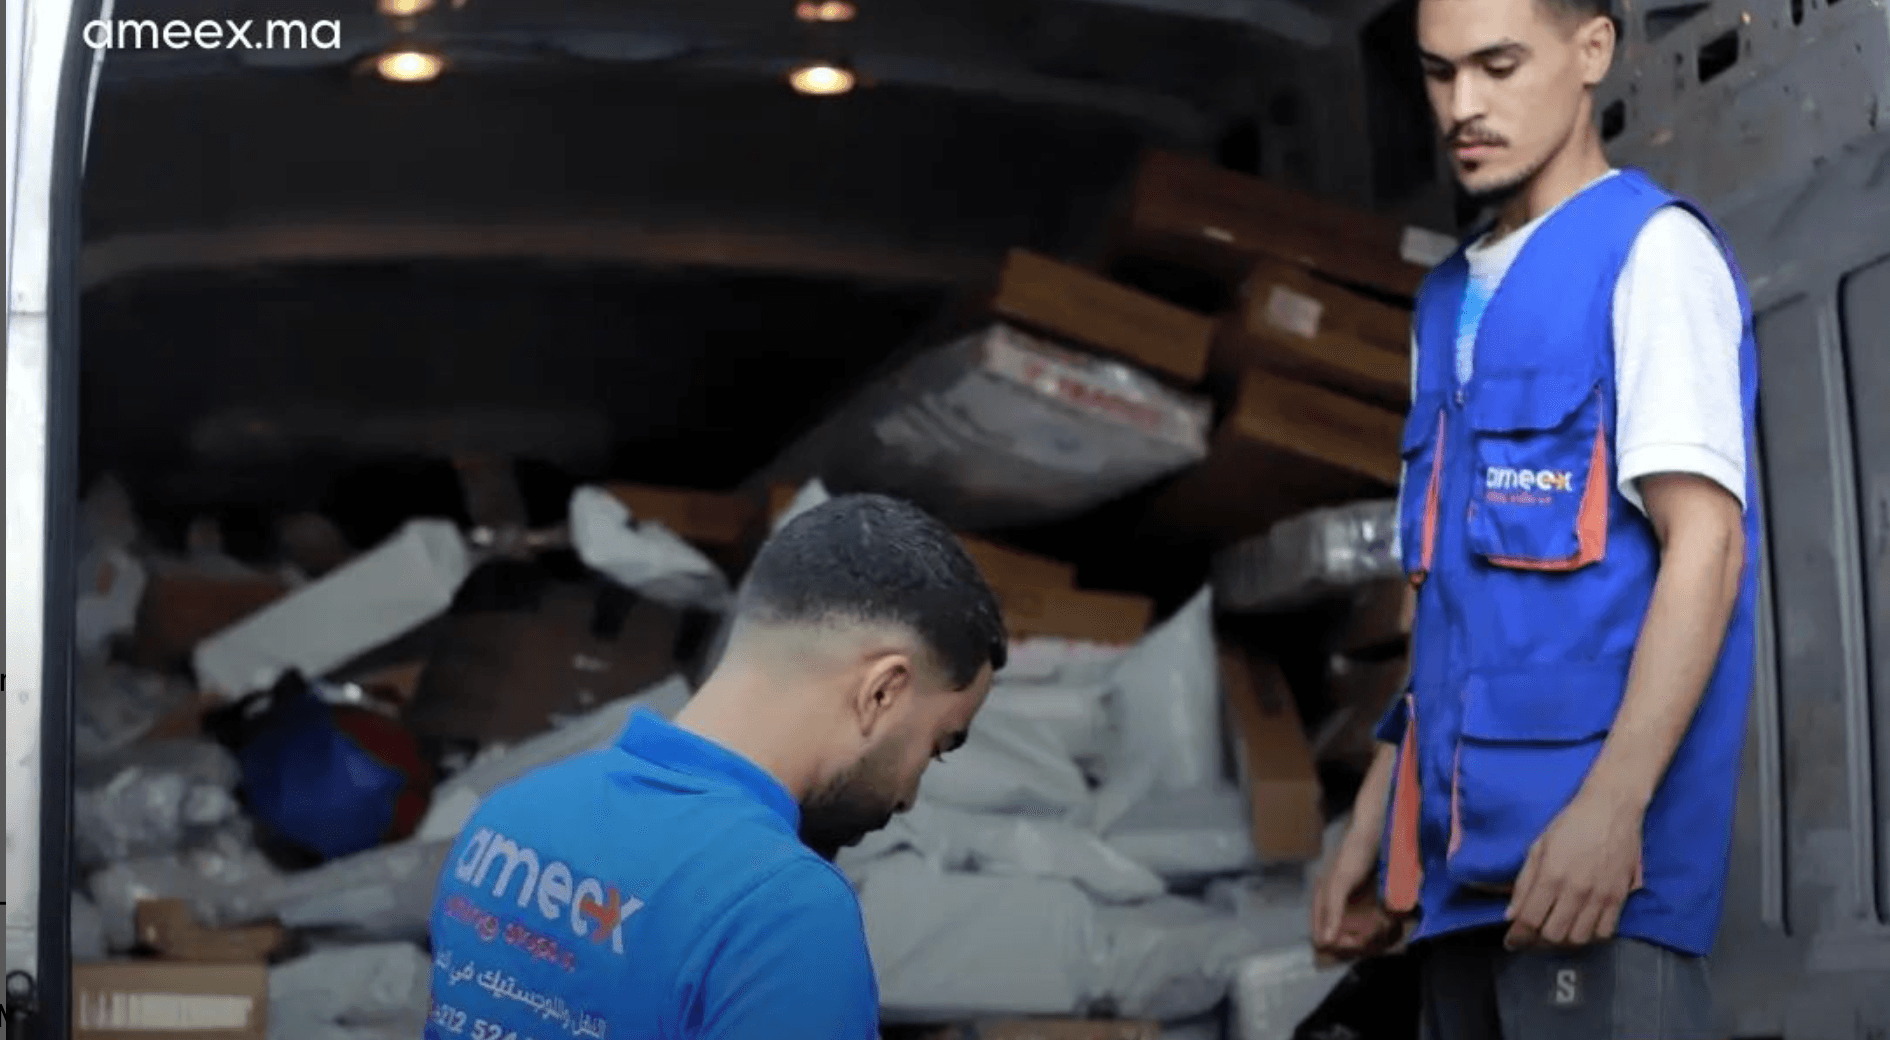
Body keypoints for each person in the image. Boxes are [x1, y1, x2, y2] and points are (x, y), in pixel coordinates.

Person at [1307, 0, 1758, 1037]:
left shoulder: (1650, 254)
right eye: (1439, 73)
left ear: (1593, 50)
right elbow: (1449, 600)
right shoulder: (1443, 300)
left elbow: (1708, 544)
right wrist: (1377, 813)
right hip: (1454, 879)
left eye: (1498, 66)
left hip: (1599, 874)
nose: (1463, 105)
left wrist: (1614, 805)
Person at [424, 492, 1007, 1040]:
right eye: (936, 745)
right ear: (882, 691)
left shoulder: (511, 814)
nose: (908, 797)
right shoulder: (783, 912)